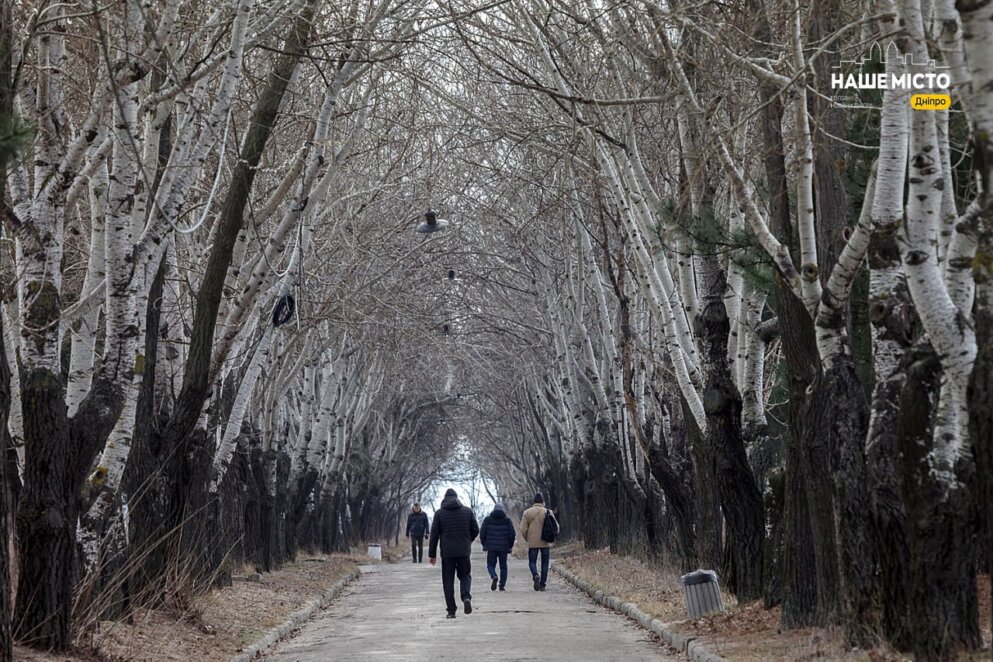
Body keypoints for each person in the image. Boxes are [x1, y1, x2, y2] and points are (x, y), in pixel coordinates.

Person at [428, 488, 480, 618]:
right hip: (463, 551)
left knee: (448, 581)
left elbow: (434, 535)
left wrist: (432, 555)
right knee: (465, 575)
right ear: (457, 498)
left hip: (447, 553)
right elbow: (475, 529)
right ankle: (466, 596)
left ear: (444, 499)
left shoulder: (439, 514)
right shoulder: (467, 512)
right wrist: (468, 540)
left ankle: (451, 611)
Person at [520, 492, 558, 591]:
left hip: (532, 541)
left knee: (532, 562)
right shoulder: (548, 512)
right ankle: (542, 585)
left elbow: (523, 529)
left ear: (534, 502)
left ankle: (535, 574)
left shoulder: (527, 512)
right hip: (545, 541)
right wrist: (552, 537)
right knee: (545, 563)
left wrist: (527, 538)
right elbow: (556, 527)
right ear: (542, 502)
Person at [479, 503, 516, 591]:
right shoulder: (507, 521)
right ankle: (502, 585)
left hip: (491, 547)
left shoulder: (487, 520)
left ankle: (493, 575)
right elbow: (512, 535)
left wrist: (484, 544)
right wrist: (510, 546)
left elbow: (482, 533)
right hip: (504, 547)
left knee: (490, 565)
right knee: (503, 566)